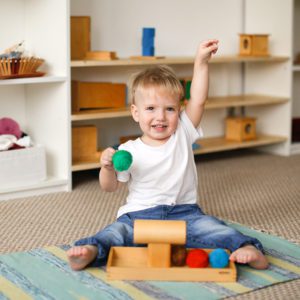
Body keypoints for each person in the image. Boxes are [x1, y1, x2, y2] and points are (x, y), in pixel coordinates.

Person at [67, 39, 269, 271]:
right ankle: (90, 251)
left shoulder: (183, 132)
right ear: (136, 112)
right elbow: (109, 187)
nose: (160, 117)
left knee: (215, 229)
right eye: (151, 108)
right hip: (139, 216)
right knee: (115, 232)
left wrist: (201, 62)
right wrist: (106, 168)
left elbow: (199, 100)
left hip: (185, 213)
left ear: (179, 111)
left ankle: (249, 248)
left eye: (169, 109)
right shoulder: (128, 150)